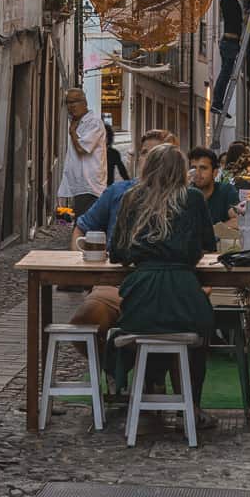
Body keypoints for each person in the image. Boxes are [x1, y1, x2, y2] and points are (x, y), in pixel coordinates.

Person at [108, 144, 216, 418]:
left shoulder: (131, 197)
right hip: (183, 290)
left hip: (141, 294)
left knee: (148, 327)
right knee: (196, 331)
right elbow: (208, 244)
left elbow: (117, 251)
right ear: (182, 171)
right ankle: (191, 406)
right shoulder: (192, 198)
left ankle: (148, 391)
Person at [69, 130, 176, 348]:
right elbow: (81, 228)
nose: (148, 159)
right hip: (115, 284)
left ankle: (154, 376)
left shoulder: (184, 196)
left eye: (156, 153)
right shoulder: (119, 192)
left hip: (166, 288)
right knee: (84, 321)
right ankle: (110, 368)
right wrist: (86, 271)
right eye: (145, 153)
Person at [57, 88, 107, 220]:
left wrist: (72, 132)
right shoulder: (76, 121)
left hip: (89, 184)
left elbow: (82, 149)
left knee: (85, 224)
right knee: (80, 220)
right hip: (80, 183)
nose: (71, 106)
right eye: (68, 102)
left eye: (75, 102)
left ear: (84, 102)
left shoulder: (94, 122)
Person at [213, 0, 244, 114]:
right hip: (230, 44)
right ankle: (217, 103)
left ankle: (218, 103)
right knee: (225, 74)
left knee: (225, 74)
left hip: (229, 44)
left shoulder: (227, 1)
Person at [188, 146, 240, 225]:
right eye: (194, 168)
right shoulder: (186, 194)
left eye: (203, 168)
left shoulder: (226, 191)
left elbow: (237, 220)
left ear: (215, 173)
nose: (197, 173)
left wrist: (210, 232)